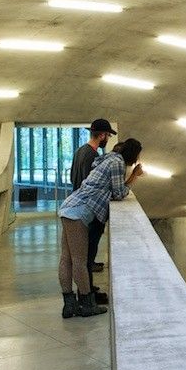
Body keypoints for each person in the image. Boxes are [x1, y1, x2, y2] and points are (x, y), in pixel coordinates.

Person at [57, 138, 143, 318]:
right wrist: (134, 177)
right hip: (79, 212)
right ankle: (87, 304)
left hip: (70, 207)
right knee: (79, 261)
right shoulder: (118, 163)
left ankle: (69, 305)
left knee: (66, 259)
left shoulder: (108, 158)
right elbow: (119, 193)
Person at [70, 119, 117, 304]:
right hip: (88, 210)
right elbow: (91, 184)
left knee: (84, 254)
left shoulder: (80, 151)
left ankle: (87, 288)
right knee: (88, 254)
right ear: (102, 135)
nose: (108, 139)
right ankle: (87, 293)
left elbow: (73, 178)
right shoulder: (92, 155)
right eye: (108, 136)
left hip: (78, 207)